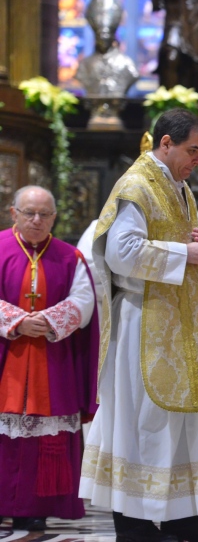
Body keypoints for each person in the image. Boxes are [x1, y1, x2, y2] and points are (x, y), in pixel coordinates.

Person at [79, 109, 198, 542]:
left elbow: (192, 245)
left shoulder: (179, 187)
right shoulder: (137, 186)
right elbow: (122, 254)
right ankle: (133, 524)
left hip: (178, 324)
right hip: (143, 324)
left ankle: (182, 517)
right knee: (141, 424)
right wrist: (184, 254)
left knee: (180, 425)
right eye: (193, 151)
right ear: (166, 144)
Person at [0, 186, 99, 531]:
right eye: (29, 213)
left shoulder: (70, 257)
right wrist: (16, 321)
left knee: (44, 440)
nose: (37, 220)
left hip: (52, 361)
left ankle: (34, 507)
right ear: (13, 213)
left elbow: (84, 300)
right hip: (7, 356)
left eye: (44, 214)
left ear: (54, 217)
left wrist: (50, 320)